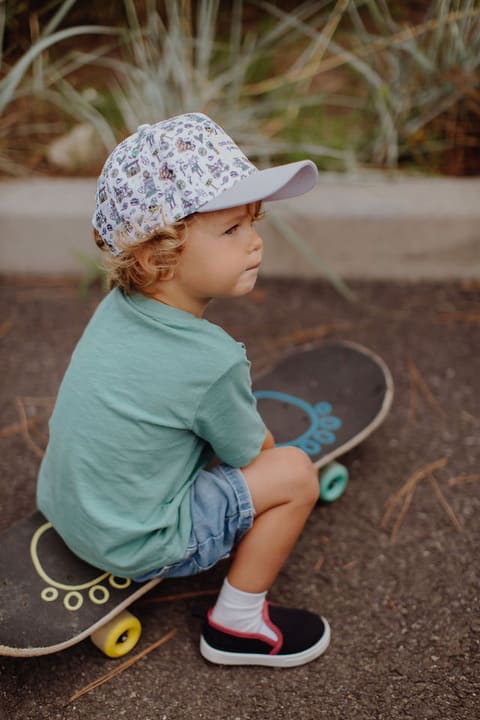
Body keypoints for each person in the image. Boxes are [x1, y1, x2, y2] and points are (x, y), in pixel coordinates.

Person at [37, 112, 330, 667]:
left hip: (64, 505)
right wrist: (261, 463)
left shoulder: (115, 307)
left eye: (253, 221)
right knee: (293, 474)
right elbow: (256, 455)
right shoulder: (212, 360)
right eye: (231, 229)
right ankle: (236, 624)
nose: (256, 242)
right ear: (156, 256)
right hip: (139, 542)